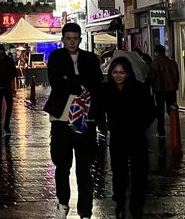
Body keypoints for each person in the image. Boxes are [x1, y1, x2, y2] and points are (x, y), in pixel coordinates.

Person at [44, 22, 103, 219]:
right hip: (61, 117)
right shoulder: (56, 56)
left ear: (80, 39)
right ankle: (62, 203)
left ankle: (85, 210)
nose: (71, 42)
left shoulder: (90, 58)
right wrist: (78, 83)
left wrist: (70, 80)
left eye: (75, 38)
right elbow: (57, 82)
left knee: (84, 167)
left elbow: (95, 81)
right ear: (63, 40)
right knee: (62, 164)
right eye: (68, 38)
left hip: (86, 117)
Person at [99, 57, 156, 219]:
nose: (118, 76)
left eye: (122, 72)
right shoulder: (106, 89)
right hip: (118, 137)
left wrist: (141, 125)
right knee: (119, 172)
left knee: (139, 172)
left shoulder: (139, 88)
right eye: (115, 72)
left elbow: (150, 110)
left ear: (128, 73)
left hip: (137, 135)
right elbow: (98, 109)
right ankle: (120, 201)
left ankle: (137, 204)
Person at [149, 44, 180, 137]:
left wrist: (152, 86)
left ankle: (161, 131)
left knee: (160, 110)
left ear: (157, 52)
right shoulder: (172, 62)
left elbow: (152, 77)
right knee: (172, 109)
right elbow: (177, 76)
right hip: (171, 89)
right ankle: (175, 128)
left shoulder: (155, 62)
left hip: (160, 89)